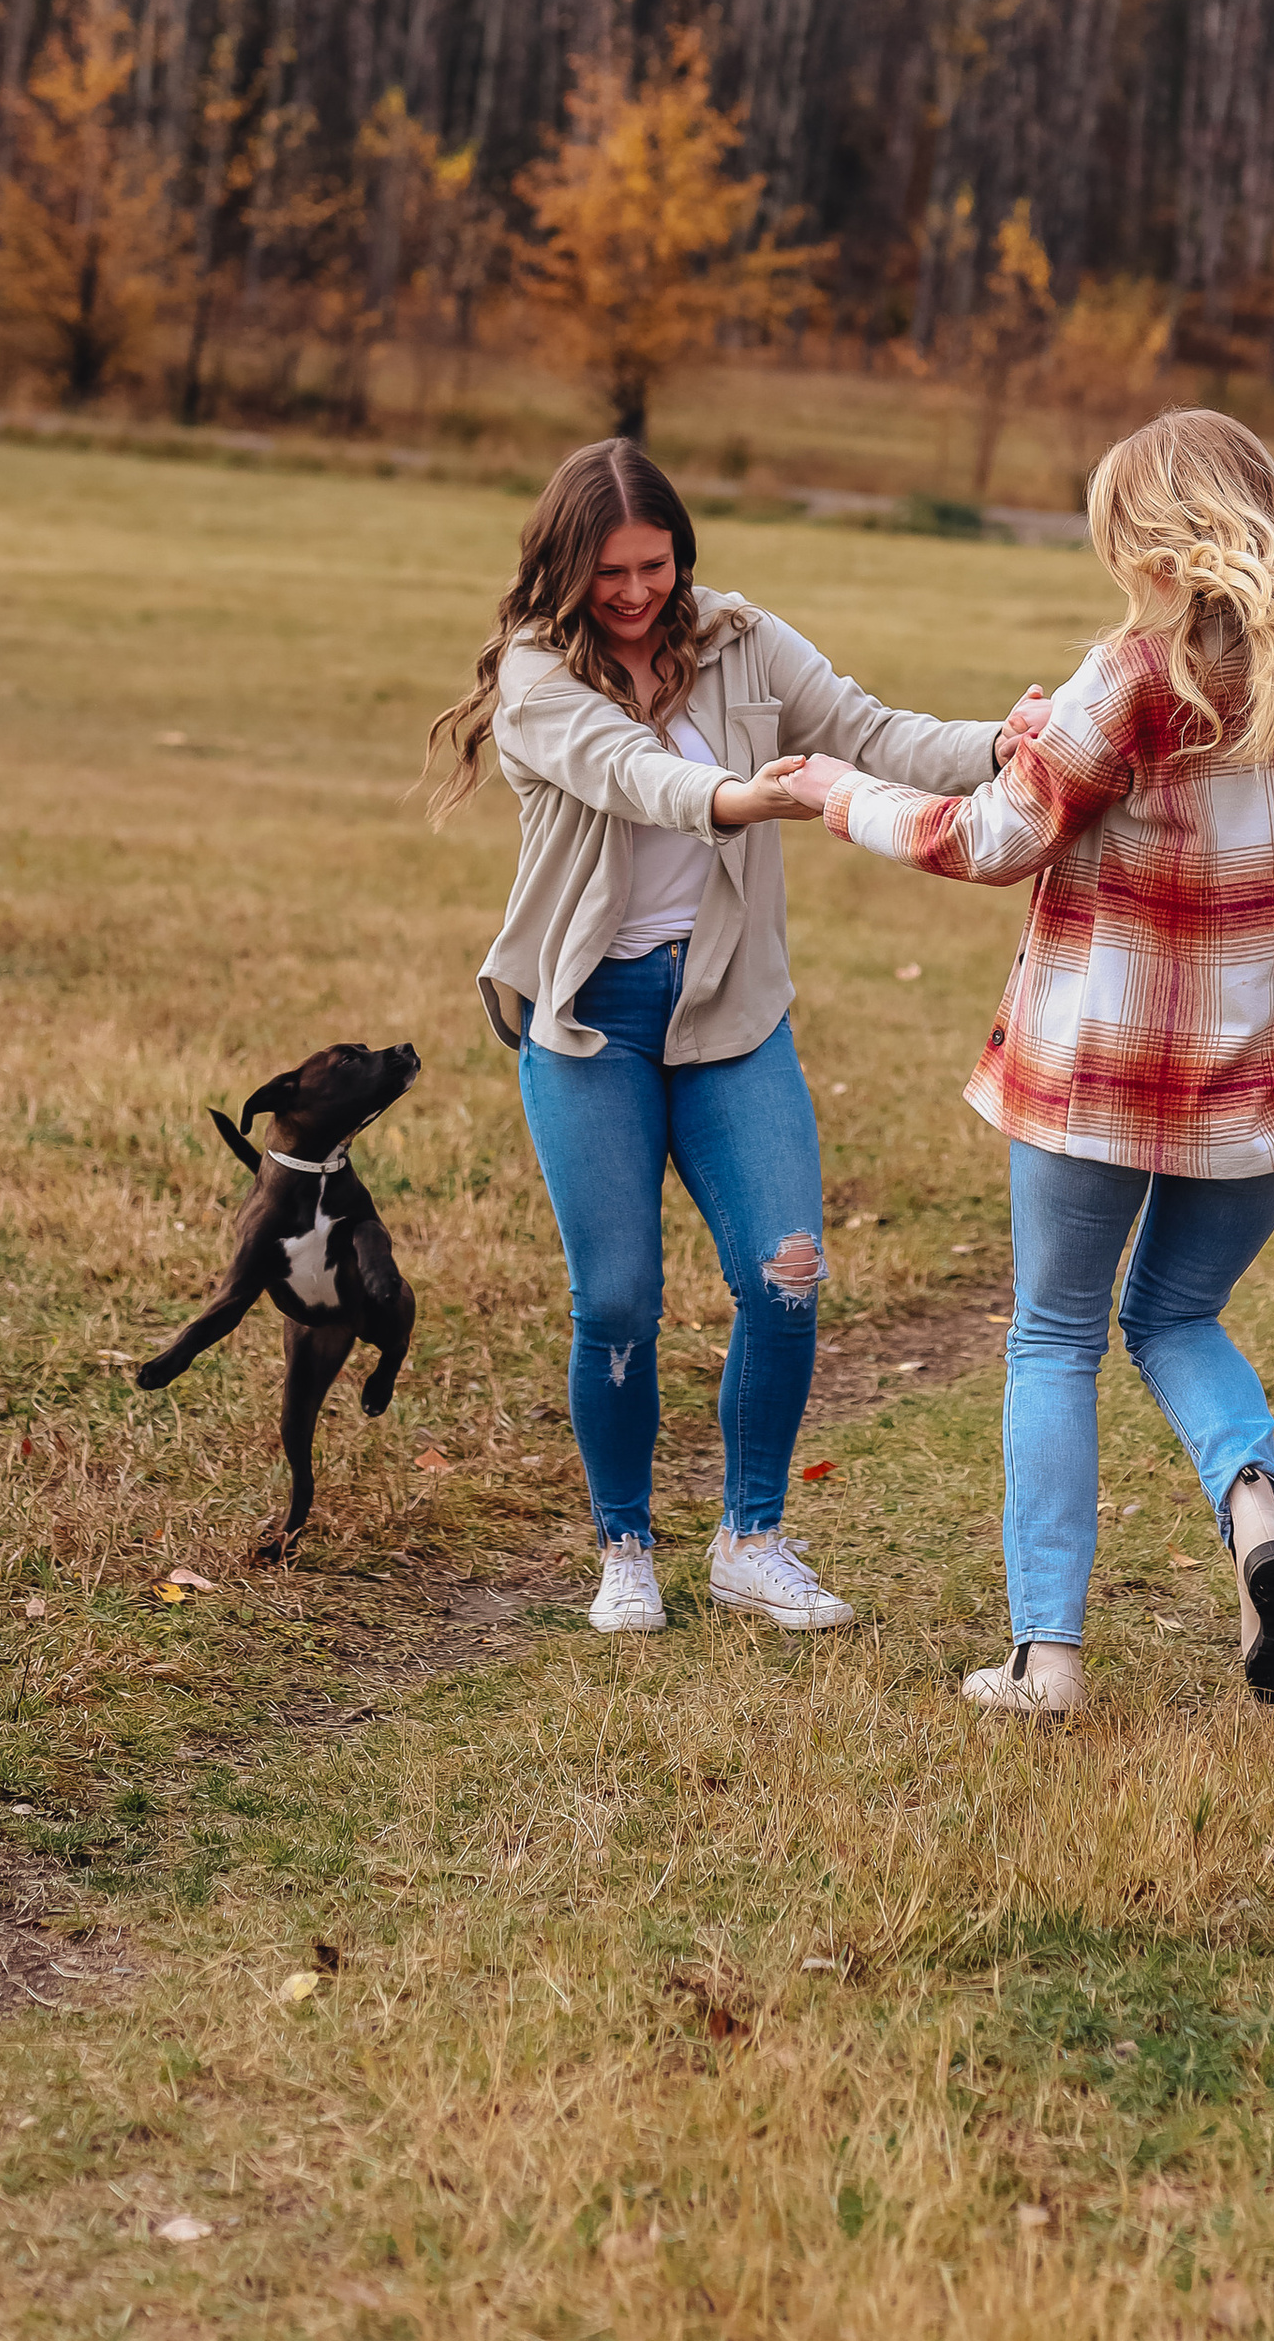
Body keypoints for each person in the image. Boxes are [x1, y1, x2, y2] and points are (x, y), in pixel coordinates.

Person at [788, 409, 1274, 1717]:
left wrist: (838, 792)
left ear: (1151, 540)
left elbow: (988, 837)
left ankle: (1045, 1660)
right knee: (1175, 1313)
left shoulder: (1131, 674)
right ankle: (1254, 1517)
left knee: (1056, 1336)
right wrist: (1050, 726)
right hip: (1265, 1067)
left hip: (1102, 1068)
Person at [429, 438, 1043, 1642]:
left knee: (789, 1272)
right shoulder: (537, 675)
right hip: (590, 1020)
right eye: (607, 571)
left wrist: (995, 746)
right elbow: (633, 774)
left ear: (682, 553)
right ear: (562, 567)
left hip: (727, 1011)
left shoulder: (740, 639)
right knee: (615, 1300)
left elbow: (866, 728)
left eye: (653, 565)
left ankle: (752, 1542)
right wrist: (748, 799)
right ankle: (625, 1548)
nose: (633, 592)